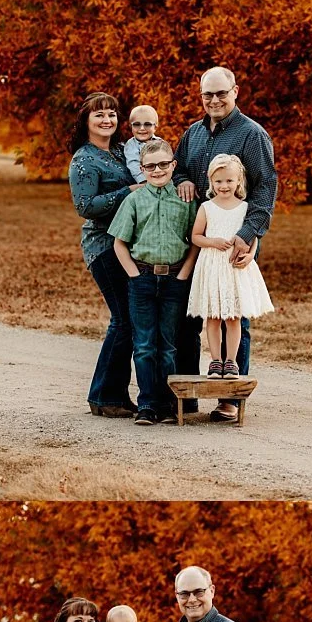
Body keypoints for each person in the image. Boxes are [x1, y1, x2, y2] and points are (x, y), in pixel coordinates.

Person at [171, 67, 278, 419]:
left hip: (236, 240)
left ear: (235, 91)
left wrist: (248, 236)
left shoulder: (252, 134)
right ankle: (188, 397)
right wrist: (184, 180)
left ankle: (231, 399)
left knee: (234, 314)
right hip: (200, 241)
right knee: (194, 315)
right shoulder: (193, 134)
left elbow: (265, 188)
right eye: (208, 94)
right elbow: (179, 169)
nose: (214, 100)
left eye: (221, 93)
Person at [109, 138, 197, 427]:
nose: (157, 170)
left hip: (174, 280)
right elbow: (120, 243)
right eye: (150, 166)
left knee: (169, 345)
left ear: (173, 165)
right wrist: (134, 275)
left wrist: (183, 273)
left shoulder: (186, 200)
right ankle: (147, 404)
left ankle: (168, 405)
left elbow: (195, 241)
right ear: (142, 168)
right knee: (145, 344)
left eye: (163, 164)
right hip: (143, 280)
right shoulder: (134, 201)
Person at [67, 92, 140, 420]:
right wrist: (127, 192)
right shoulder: (84, 159)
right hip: (104, 246)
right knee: (124, 320)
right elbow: (85, 206)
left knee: (130, 321)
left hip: (129, 245)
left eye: (111, 114)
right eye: (99, 115)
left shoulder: (124, 151)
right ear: (86, 121)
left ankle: (113, 395)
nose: (106, 119)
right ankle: (104, 396)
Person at [185, 154, 275, 377]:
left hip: (234, 268)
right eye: (218, 181)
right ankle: (215, 361)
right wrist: (213, 242)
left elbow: (253, 236)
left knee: (233, 317)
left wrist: (250, 255)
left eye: (229, 180)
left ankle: (231, 361)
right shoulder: (207, 207)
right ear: (211, 181)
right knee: (213, 316)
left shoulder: (245, 208)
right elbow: (195, 236)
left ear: (238, 181)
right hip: (213, 266)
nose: (223, 186)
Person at [124, 106, 160, 184]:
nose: (142, 128)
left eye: (147, 124)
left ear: (155, 127)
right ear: (131, 126)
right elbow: (134, 164)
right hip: (144, 183)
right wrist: (144, 181)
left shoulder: (160, 142)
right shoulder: (131, 145)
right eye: (137, 124)